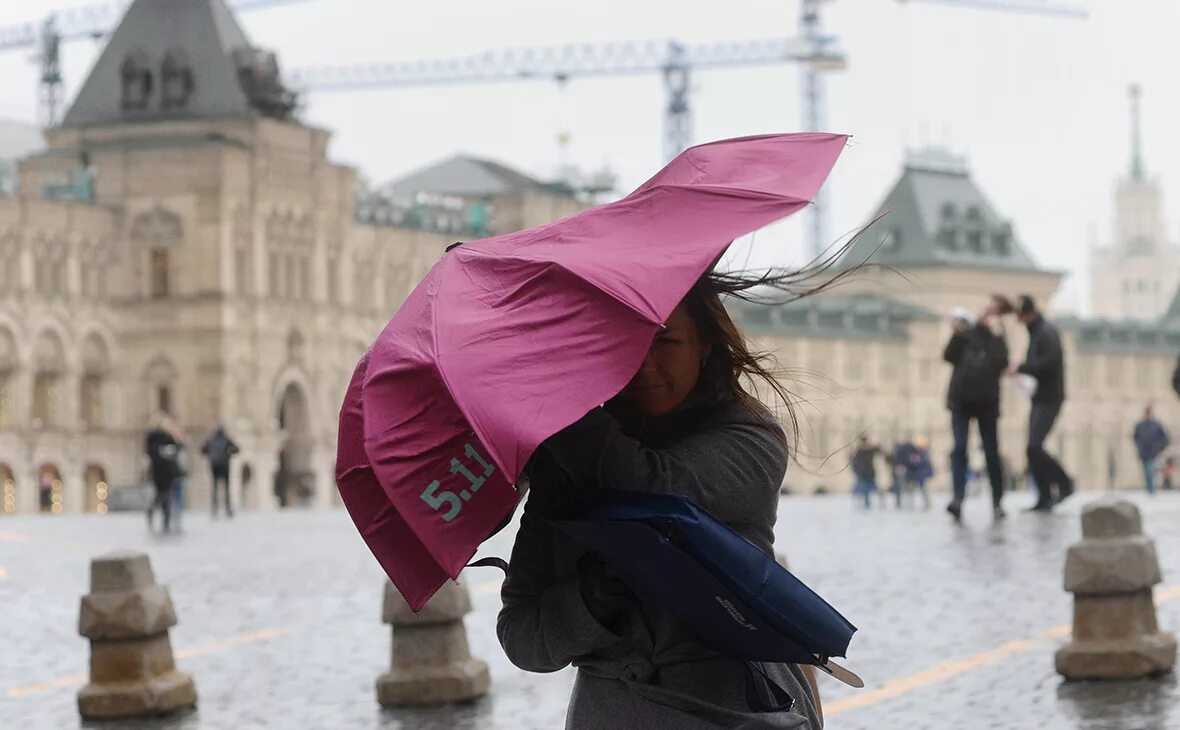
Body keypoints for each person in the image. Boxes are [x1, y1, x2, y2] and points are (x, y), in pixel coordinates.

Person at [497, 275, 823, 729]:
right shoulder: (565, 464)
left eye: (666, 342)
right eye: (626, 347)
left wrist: (562, 409)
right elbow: (522, 636)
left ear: (704, 345)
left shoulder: (750, 436)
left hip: (736, 712)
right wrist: (588, 601)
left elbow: (655, 489)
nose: (646, 366)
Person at [943, 296, 1011, 522]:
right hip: (960, 400)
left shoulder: (998, 337)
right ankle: (958, 499)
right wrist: (957, 333)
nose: (986, 311)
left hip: (987, 402)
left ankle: (997, 502)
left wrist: (997, 336)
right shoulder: (966, 331)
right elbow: (948, 356)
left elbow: (1000, 363)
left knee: (991, 453)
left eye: (992, 309)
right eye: (985, 307)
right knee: (959, 449)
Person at [1008, 294, 1073, 511]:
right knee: (1031, 448)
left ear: (1026, 315)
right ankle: (1044, 495)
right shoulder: (1037, 332)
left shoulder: (1046, 331)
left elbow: (1050, 361)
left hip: (1050, 397)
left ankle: (1064, 483)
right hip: (1040, 397)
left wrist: (1022, 368)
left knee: (1034, 445)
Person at [144, 416, 180, 533]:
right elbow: (152, 453)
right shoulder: (156, 438)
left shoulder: (162, 437)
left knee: (165, 496)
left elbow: (176, 448)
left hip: (164, 471)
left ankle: (165, 522)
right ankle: (156, 514)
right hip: (162, 471)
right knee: (163, 496)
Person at [202, 424, 239, 518]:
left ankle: (215, 510)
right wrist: (228, 454)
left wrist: (210, 456)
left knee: (215, 489)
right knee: (226, 489)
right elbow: (237, 449)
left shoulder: (211, 440)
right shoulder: (226, 440)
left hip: (215, 467)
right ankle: (228, 510)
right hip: (225, 467)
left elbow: (203, 450)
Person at [1132, 406, 1169, 495]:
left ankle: (1151, 490)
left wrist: (1159, 448)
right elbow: (1135, 437)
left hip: (1153, 453)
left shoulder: (1157, 425)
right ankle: (1149, 489)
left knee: (1150, 471)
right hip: (1143, 453)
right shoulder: (1140, 425)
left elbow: (1165, 439)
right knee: (1146, 472)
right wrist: (1139, 447)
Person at [850, 436, 880, 510]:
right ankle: (863, 504)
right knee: (862, 489)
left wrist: (873, 445)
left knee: (872, 489)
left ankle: (869, 503)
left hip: (870, 474)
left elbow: (878, 450)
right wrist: (856, 471)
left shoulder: (870, 451)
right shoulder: (858, 452)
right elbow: (854, 463)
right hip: (861, 474)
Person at [909, 436, 933, 510]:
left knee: (923, 489)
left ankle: (927, 503)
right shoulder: (922, 453)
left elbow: (921, 463)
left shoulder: (923, 454)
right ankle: (926, 503)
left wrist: (915, 460)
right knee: (922, 489)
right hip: (920, 474)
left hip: (922, 474)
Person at [889, 438, 913, 509]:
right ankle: (899, 503)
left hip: (901, 474)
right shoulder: (895, 455)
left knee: (900, 487)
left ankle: (902, 503)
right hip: (897, 474)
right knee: (899, 488)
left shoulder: (900, 454)